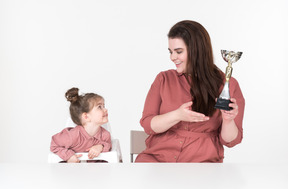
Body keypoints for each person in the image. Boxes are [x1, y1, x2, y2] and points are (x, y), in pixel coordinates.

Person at [135, 20, 245, 163]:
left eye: (179, 51)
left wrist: (228, 119)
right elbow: (148, 125)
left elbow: (230, 141)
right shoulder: (163, 79)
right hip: (157, 160)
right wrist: (178, 115)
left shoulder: (228, 85)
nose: (172, 57)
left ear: (197, 50)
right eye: (171, 52)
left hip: (202, 166)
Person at [50, 88, 111, 163]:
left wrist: (100, 147)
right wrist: (69, 156)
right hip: (72, 171)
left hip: (94, 172)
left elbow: (109, 147)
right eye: (99, 107)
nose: (105, 109)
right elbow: (54, 144)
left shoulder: (105, 135)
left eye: (104, 106)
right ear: (86, 117)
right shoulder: (72, 136)